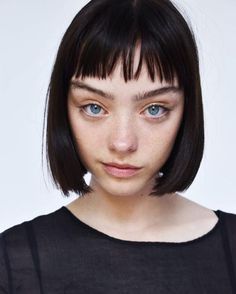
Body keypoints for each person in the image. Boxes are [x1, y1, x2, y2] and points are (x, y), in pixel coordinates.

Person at [0, 0, 235, 293]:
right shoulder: (12, 261)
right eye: (94, 108)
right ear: (65, 109)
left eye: (154, 109)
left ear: (187, 112)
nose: (122, 142)